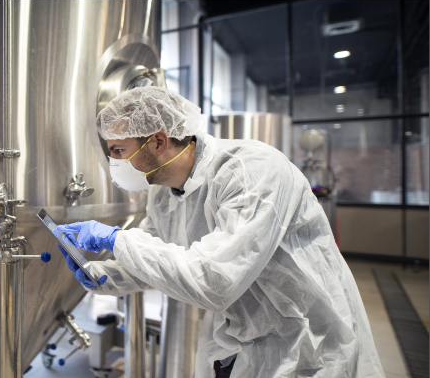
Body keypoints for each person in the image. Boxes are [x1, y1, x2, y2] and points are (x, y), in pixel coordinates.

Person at [53, 87, 384, 378]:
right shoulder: (163, 193)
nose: (114, 163)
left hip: (305, 340)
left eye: (118, 150)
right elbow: (156, 257)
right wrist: (103, 274)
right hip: (242, 337)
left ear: (157, 141)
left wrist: (117, 239)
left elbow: (215, 280)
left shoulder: (249, 171)